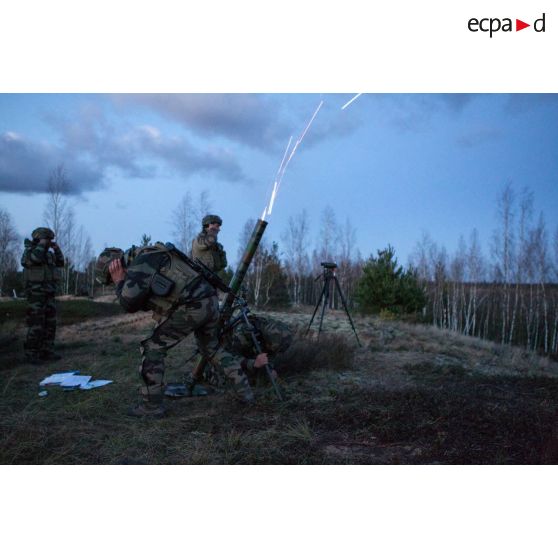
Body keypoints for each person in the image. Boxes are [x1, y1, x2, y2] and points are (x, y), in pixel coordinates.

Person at [95, 242, 254, 418]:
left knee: (152, 348)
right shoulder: (150, 253)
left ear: (114, 267)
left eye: (110, 279)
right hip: (209, 301)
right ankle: (245, 393)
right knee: (212, 348)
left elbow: (128, 303)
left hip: (193, 306)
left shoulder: (140, 263)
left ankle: (151, 407)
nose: (112, 282)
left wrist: (119, 281)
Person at [20, 227, 65, 364]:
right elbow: (34, 259)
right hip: (35, 295)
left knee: (50, 323)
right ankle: (31, 354)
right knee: (36, 324)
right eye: (47, 239)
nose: (49, 242)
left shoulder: (48, 254)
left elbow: (61, 262)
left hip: (48, 293)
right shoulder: (30, 252)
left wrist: (56, 249)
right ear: (39, 239)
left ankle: (47, 351)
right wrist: (41, 245)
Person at [222, 313, 293, 386]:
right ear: (267, 342)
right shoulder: (244, 334)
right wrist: (252, 363)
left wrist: (269, 369)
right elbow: (228, 357)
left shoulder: (274, 334)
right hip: (224, 351)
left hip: (249, 349)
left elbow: (270, 355)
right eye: (271, 348)